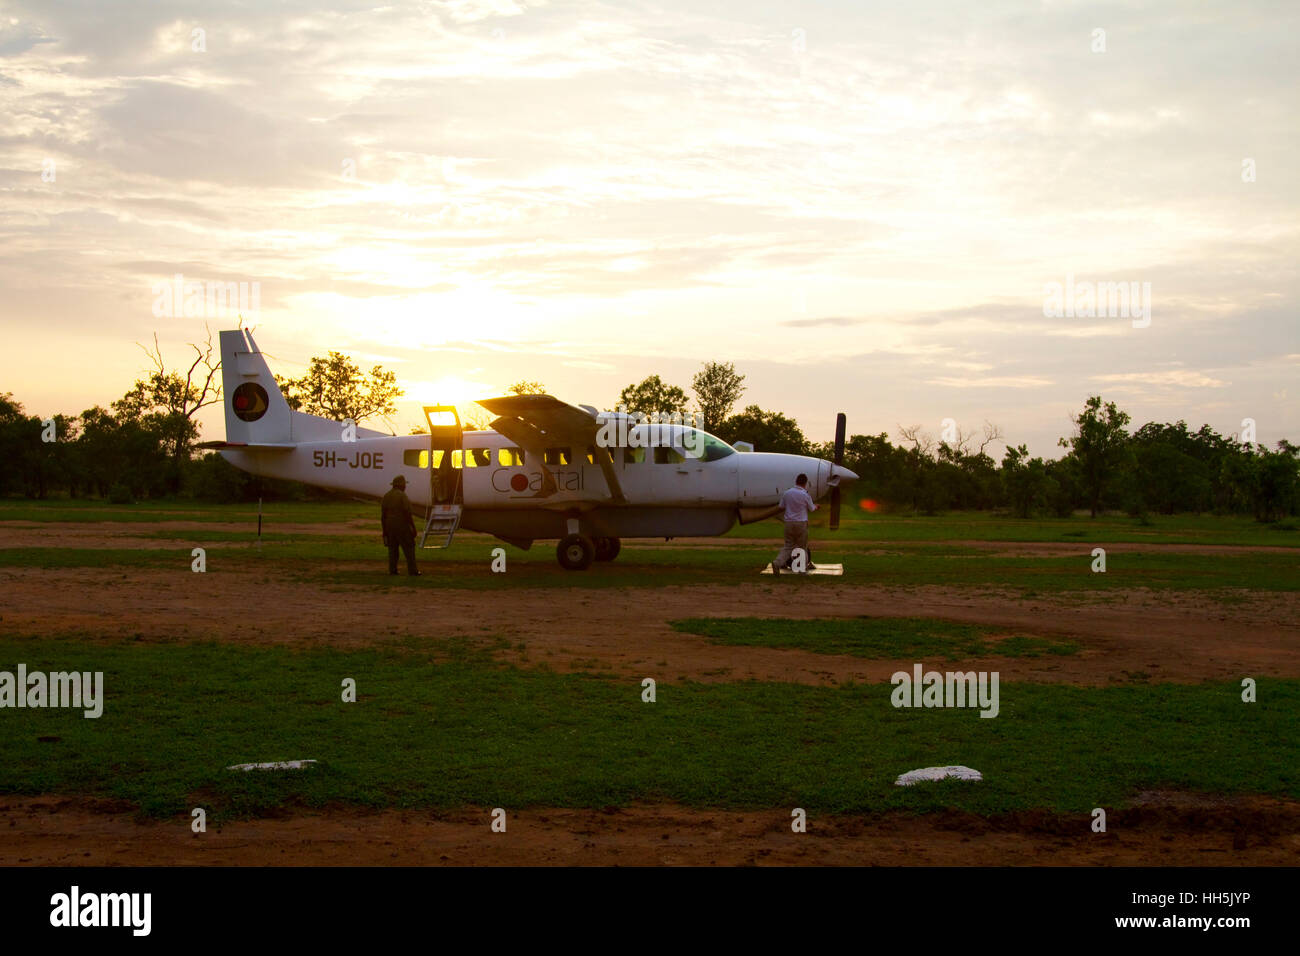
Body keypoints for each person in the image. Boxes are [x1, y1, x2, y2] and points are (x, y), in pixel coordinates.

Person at [772, 473, 817, 574]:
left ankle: (777, 563)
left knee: (788, 546)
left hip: (789, 523)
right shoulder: (805, 495)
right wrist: (816, 506)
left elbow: (781, 507)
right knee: (802, 547)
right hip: (801, 523)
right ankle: (802, 569)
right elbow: (812, 509)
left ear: (796, 481)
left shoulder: (787, 493)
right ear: (805, 483)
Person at [381, 475, 420, 576]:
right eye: (404, 485)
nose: (405, 487)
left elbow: (383, 516)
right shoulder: (402, 496)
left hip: (389, 525)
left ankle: (393, 570)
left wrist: (384, 531)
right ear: (401, 485)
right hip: (402, 525)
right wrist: (413, 527)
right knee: (409, 547)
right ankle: (413, 570)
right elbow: (407, 513)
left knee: (392, 549)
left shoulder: (386, 496)